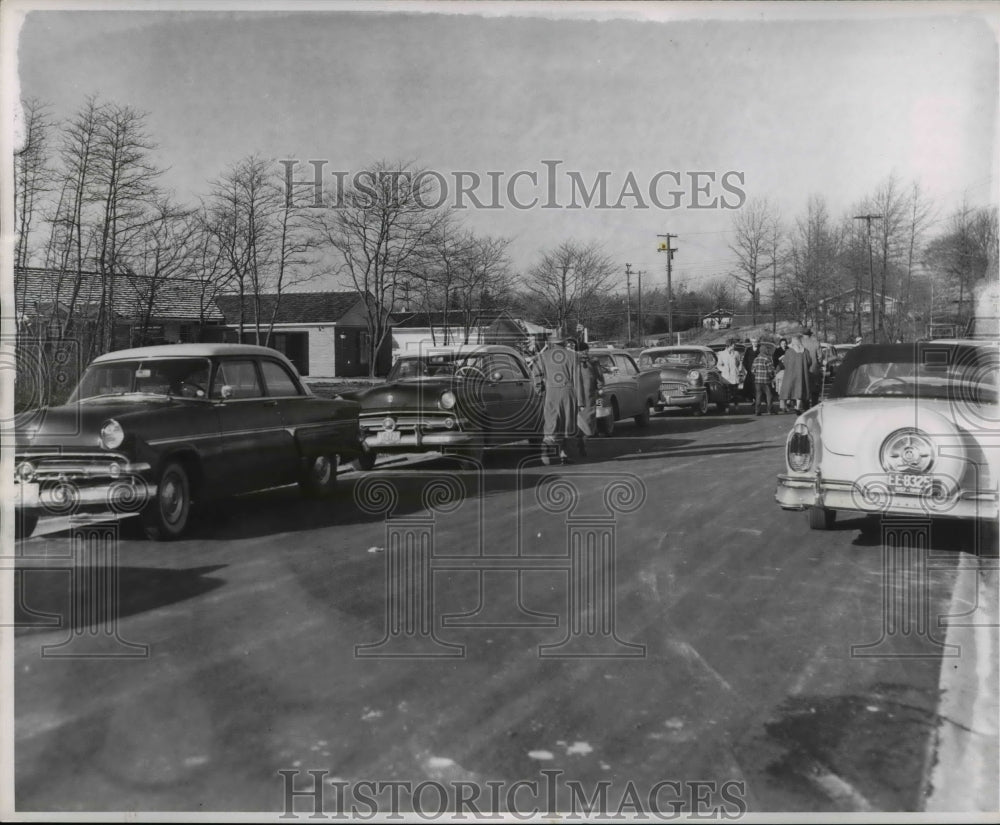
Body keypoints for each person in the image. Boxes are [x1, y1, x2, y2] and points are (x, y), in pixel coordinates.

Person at [535, 337, 580, 465]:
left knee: (552, 422)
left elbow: (536, 375)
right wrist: (580, 400)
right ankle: (563, 454)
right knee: (567, 423)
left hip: (551, 392)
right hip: (568, 392)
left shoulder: (543, 356)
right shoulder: (573, 356)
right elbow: (578, 379)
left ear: (551, 343)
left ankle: (546, 446)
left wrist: (540, 390)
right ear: (565, 343)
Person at [574, 341, 603, 457]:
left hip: (588, 396)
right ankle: (579, 443)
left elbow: (599, 376)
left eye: (585, 350)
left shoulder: (593, 362)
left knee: (588, 421)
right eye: (582, 351)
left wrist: (600, 387)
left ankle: (582, 442)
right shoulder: (572, 362)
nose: (584, 353)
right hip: (575, 397)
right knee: (576, 422)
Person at [779, 333, 813, 414]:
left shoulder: (789, 351)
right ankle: (797, 407)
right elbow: (809, 362)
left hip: (790, 374)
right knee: (799, 390)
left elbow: (785, 363)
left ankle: (786, 405)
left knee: (789, 389)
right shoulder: (805, 351)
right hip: (802, 375)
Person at [716, 338, 743, 413]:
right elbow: (718, 365)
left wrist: (739, 369)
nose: (734, 346)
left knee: (735, 393)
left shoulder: (736, 353)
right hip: (726, 377)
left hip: (734, 375)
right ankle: (727, 408)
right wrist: (723, 369)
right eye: (733, 344)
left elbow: (739, 362)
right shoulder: (722, 354)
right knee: (727, 394)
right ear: (729, 345)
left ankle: (736, 406)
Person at [751, 346, 777, 415]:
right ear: (764, 351)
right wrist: (772, 377)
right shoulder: (767, 359)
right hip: (766, 381)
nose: (767, 351)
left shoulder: (756, 359)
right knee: (769, 395)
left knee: (758, 396)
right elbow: (770, 370)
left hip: (757, 381)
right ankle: (769, 410)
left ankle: (757, 411)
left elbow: (753, 370)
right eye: (766, 350)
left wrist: (757, 375)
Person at [801, 328, 822, 408]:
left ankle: (805, 405)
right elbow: (820, 357)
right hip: (814, 368)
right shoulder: (816, 343)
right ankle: (814, 405)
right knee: (815, 388)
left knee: (805, 387)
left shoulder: (800, 343)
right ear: (810, 334)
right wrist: (819, 364)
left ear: (803, 334)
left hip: (803, 368)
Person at [741, 337, 763, 402]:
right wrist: (748, 369)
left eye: (756, 342)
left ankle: (757, 399)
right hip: (750, 371)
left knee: (757, 386)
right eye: (753, 342)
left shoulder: (760, 349)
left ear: (758, 342)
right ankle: (750, 398)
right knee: (748, 385)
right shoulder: (748, 350)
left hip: (759, 371)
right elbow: (745, 360)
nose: (754, 343)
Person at [772, 338, 789, 411]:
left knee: (788, 388)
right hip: (780, 370)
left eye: (785, 343)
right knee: (781, 388)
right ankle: (782, 406)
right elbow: (774, 360)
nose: (784, 345)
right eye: (782, 343)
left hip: (788, 370)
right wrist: (780, 358)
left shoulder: (789, 349)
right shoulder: (777, 350)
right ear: (780, 344)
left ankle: (787, 403)